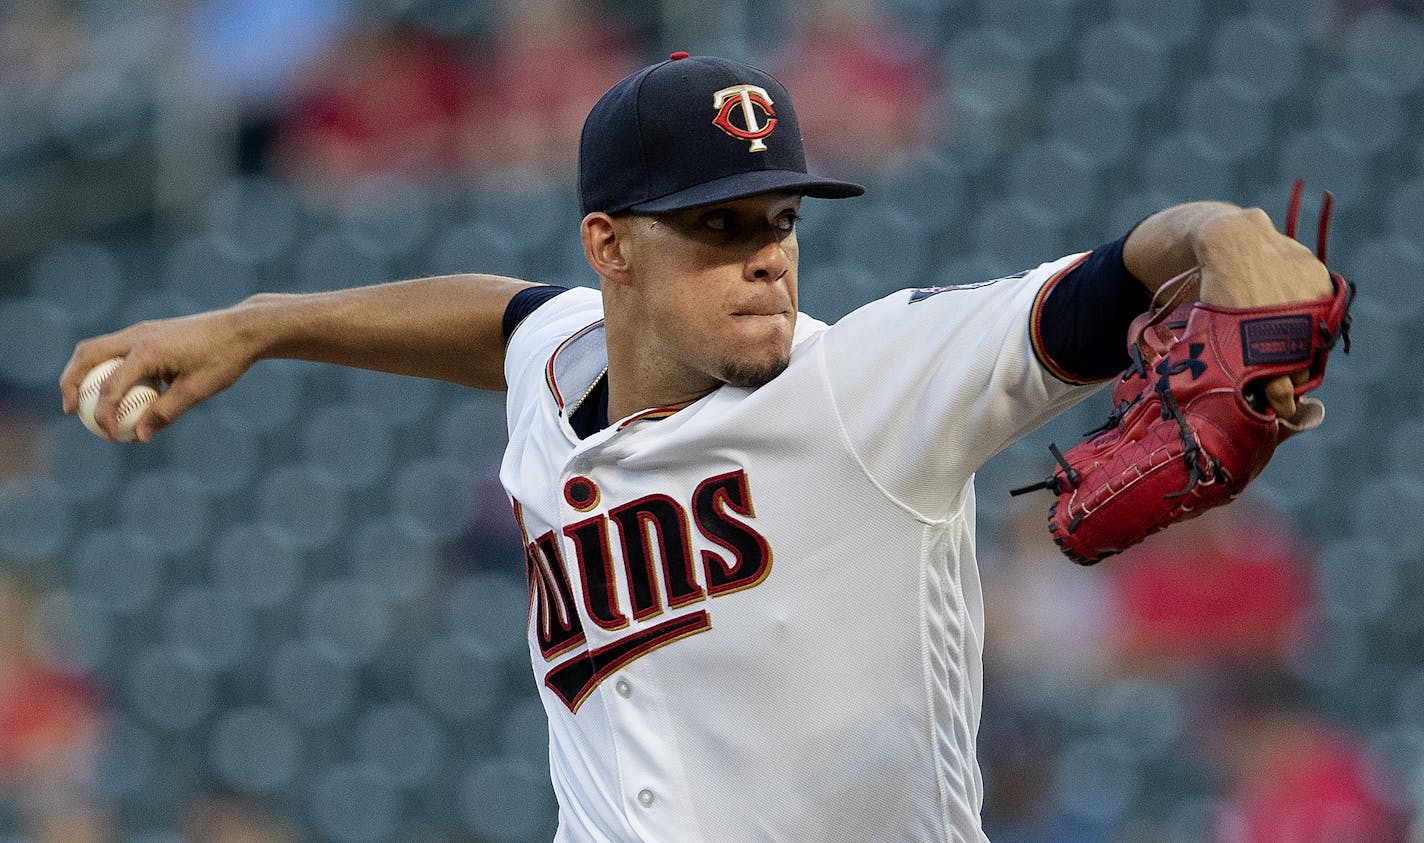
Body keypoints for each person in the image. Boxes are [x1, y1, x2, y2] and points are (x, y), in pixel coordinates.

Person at [60, 54, 1333, 842]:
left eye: (778, 218)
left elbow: (1109, 281)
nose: (765, 254)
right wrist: (259, 322)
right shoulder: (560, 362)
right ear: (610, 249)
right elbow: (497, 319)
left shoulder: (870, 383)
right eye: (717, 225)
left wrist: (1219, 234)